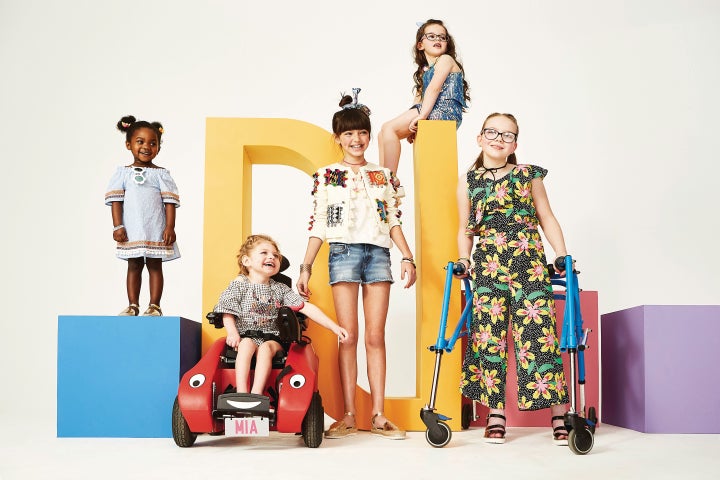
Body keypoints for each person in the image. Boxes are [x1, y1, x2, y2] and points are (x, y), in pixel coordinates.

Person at [297, 89, 417, 440]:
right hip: (343, 253)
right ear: (338, 138)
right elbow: (319, 222)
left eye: (362, 132)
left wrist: (407, 256)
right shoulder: (327, 175)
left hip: (378, 253)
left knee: (375, 336)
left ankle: (378, 414)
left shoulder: (383, 175)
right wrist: (305, 267)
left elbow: (392, 218)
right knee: (347, 337)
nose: (357, 139)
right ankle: (349, 413)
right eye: (349, 133)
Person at [455, 113, 570, 445]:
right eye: (492, 132)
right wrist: (464, 258)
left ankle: (559, 415)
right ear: (479, 138)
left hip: (528, 263)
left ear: (515, 144)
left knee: (539, 335)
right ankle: (495, 413)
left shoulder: (528, 175)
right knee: (488, 338)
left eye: (507, 135)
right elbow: (466, 229)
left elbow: (547, 217)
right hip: (489, 266)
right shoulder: (468, 180)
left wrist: (560, 253)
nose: (498, 138)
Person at [213, 234, 349, 395]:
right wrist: (232, 333)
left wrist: (334, 327)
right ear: (246, 261)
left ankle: (257, 394)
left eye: (275, 255)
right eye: (264, 253)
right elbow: (227, 310)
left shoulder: (280, 289)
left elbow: (305, 307)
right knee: (245, 345)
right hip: (244, 337)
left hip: (272, 339)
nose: (272, 256)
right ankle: (242, 393)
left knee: (265, 348)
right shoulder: (239, 285)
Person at [378, 19, 470, 193]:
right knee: (383, 133)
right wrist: (412, 125)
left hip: (444, 111)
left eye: (443, 37)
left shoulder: (446, 59)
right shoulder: (425, 71)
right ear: (420, 44)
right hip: (431, 111)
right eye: (432, 36)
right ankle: (382, 177)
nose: (438, 39)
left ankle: (388, 182)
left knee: (388, 128)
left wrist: (421, 116)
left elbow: (435, 89)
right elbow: (416, 103)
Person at [105, 115, 180, 316]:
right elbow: (116, 201)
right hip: (132, 230)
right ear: (128, 144)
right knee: (134, 265)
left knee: (155, 265)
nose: (146, 146)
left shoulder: (161, 174)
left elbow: (169, 202)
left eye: (153, 143)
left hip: (156, 228)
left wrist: (170, 227)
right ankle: (133, 305)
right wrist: (117, 226)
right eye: (140, 141)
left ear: (159, 147)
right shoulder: (123, 173)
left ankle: (154, 305)